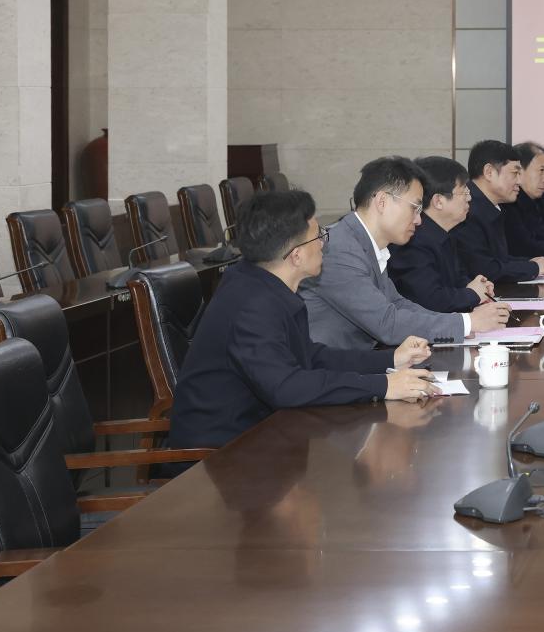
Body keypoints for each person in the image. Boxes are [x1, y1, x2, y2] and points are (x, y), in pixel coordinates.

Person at [168, 190, 434, 451]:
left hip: (263, 435)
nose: (324, 244)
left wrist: (390, 360)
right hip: (219, 455)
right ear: (296, 255)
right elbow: (287, 386)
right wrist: (383, 386)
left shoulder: (263, 283)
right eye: (319, 236)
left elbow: (310, 357)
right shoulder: (252, 305)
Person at [302, 156, 508, 350]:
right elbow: (387, 323)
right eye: (415, 208)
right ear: (382, 201)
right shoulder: (338, 250)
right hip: (333, 368)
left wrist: (460, 324)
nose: (418, 220)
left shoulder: (364, 242)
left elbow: (397, 304)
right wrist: (466, 323)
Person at [389, 156, 511, 319]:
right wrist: (472, 294)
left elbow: (457, 280)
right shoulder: (413, 240)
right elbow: (430, 300)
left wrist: (476, 286)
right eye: (464, 191)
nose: (469, 198)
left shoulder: (446, 233)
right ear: (438, 201)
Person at [452, 139, 544, 286]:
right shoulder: (467, 210)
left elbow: (500, 259)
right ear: (489, 172)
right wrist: (533, 267)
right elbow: (484, 269)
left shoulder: (491, 207)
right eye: (515, 173)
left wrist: (530, 262)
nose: (519, 181)